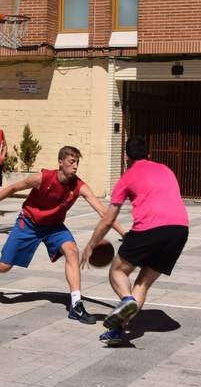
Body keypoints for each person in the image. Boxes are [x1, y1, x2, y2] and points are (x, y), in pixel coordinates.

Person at [0, 146, 125, 324]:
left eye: (77, 162)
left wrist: (125, 233)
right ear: (60, 163)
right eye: (72, 162)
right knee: (5, 266)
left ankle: (76, 305)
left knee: (72, 251)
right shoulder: (42, 178)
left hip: (54, 226)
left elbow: (103, 210)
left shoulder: (79, 186)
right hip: (29, 223)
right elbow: (13, 188)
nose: (75, 166)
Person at [80, 137, 189, 346]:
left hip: (150, 229)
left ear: (126, 156)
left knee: (117, 272)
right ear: (149, 155)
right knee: (142, 283)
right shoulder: (166, 170)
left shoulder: (127, 177)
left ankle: (126, 300)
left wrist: (91, 245)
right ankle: (117, 331)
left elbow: (108, 219)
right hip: (179, 230)